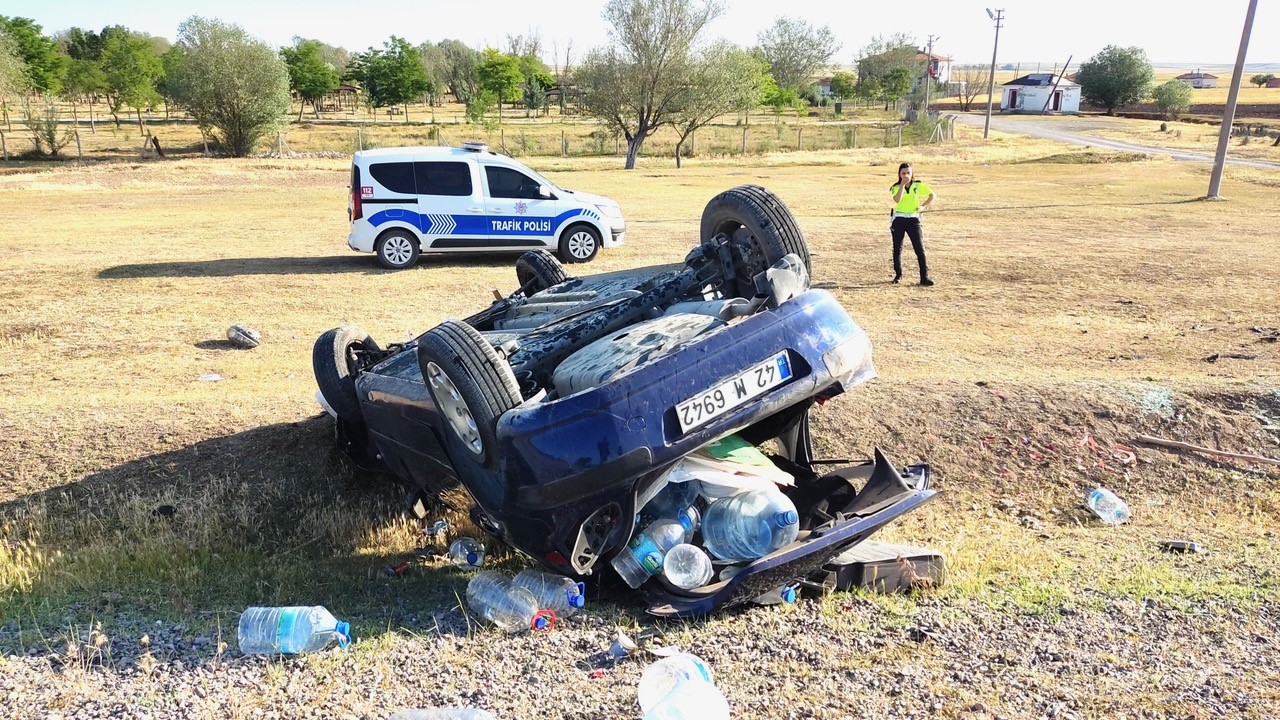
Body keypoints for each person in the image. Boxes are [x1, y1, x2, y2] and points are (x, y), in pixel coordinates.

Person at [888, 162, 935, 286]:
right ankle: (898, 275)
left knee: (919, 248)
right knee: (897, 248)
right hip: (899, 219)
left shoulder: (917, 185)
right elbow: (897, 199)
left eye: (908, 172)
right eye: (903, 173)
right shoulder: (896, 187)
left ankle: (924, 277)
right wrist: (902, 185)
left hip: (913, 220)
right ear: (899, 174)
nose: (906, 175)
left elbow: (932, 195)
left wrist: (923, 206)